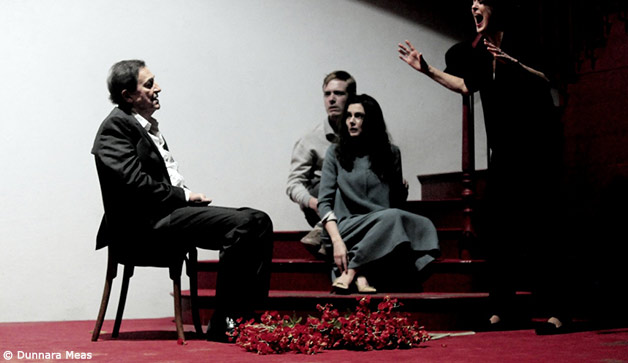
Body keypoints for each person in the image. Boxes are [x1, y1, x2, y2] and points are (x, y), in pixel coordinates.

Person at [398, 0, 570, 334]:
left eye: (481, 0)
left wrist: (514, 64)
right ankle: (502, 310)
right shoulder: (477, 53)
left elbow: (549, 81)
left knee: (542, 232)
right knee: (499, 232)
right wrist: (426, 69)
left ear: (498, 6)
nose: (474, 7)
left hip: (538, 153)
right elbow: (465, 85)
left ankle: (557, 311)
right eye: (473, 0)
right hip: (504, 154)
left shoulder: (524, 42)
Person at [92, 60, 274, 342]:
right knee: (245, 223)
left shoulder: (144, 126)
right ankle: (225, 324)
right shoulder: (115, 128)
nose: (158, 88)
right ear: (127, 95)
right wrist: (186, 196)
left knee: (259, 221)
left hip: (168, 214)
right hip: (144, 225)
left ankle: (245, 317)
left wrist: (185, 198)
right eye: (149, 84)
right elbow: (135, 185)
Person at [317, 93, 440, 293]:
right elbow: (324, 203)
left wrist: (401, 191)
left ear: (371, 121)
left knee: (423, 224)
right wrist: (337, 241)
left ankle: (356, 271)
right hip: (346, 227)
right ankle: (355, 272)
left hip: (381, 226)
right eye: (348, 116)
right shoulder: (335, 152)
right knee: (393, 218)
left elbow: (394, 204)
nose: (351, 121)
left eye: (358, 116)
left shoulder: (391, 153)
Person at [286, 71, 356, 253]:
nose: (331, 99)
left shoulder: (364, 134)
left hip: (355, 202)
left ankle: (324, 234)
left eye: (338, 93)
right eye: (327, 94)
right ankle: (325, 229)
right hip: (321, 203)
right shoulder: (310, 139)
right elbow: (293, 184)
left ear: (351, 97)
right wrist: (312, 202)